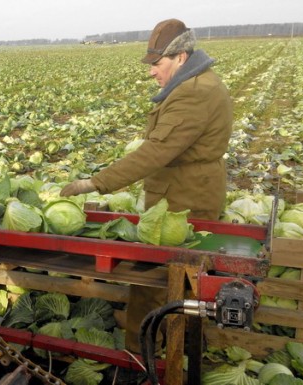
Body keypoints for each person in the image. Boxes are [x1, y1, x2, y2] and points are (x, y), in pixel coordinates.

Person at [60, 18, 233, 353]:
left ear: (180, 58)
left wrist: (93, 183)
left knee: (156, 280)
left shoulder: (195, 93)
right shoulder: (193, 84)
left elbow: (156, 151)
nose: (152, 72)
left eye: (157, 64)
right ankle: (166, 342)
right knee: (171, 280)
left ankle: (142, 356)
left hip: (184, 198)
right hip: (181, 190)